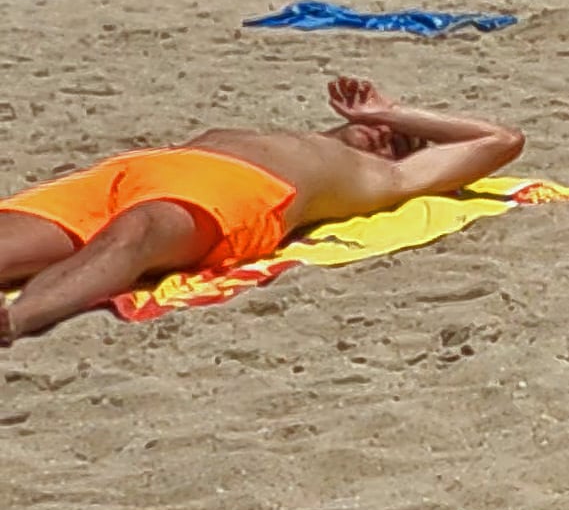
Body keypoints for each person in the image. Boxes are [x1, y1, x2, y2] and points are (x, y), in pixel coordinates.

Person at [2, 79, 525, 342]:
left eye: (400, 140)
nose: (385, 135)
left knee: (135, 235)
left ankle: (15, 320)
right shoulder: (283, 134)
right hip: (135, 170)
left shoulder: (381, 177)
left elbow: (501, 139)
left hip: (236, 189)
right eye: (389, 129)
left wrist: (390, 111)